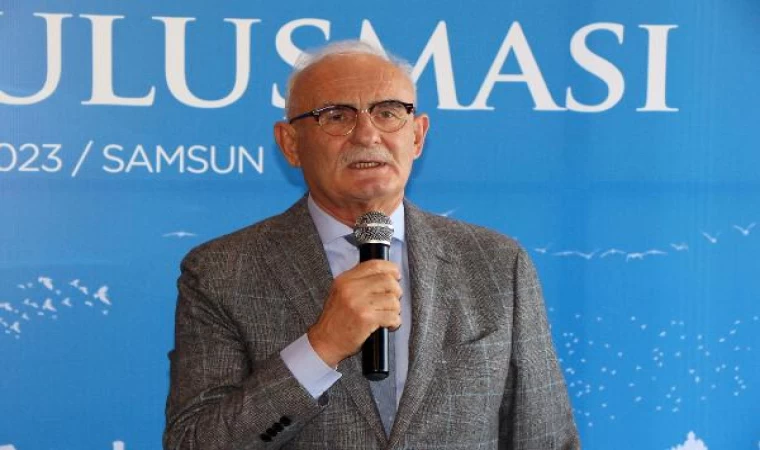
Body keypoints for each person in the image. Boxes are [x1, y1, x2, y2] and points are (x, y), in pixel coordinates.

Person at [164, 40, 579, 450]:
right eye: (336, 116)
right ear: (290, 143)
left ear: (417, 136)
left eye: (388, 113)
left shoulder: (496, 264)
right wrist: (321, 347)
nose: (367, 134)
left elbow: (547, 442)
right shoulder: (222, 272)